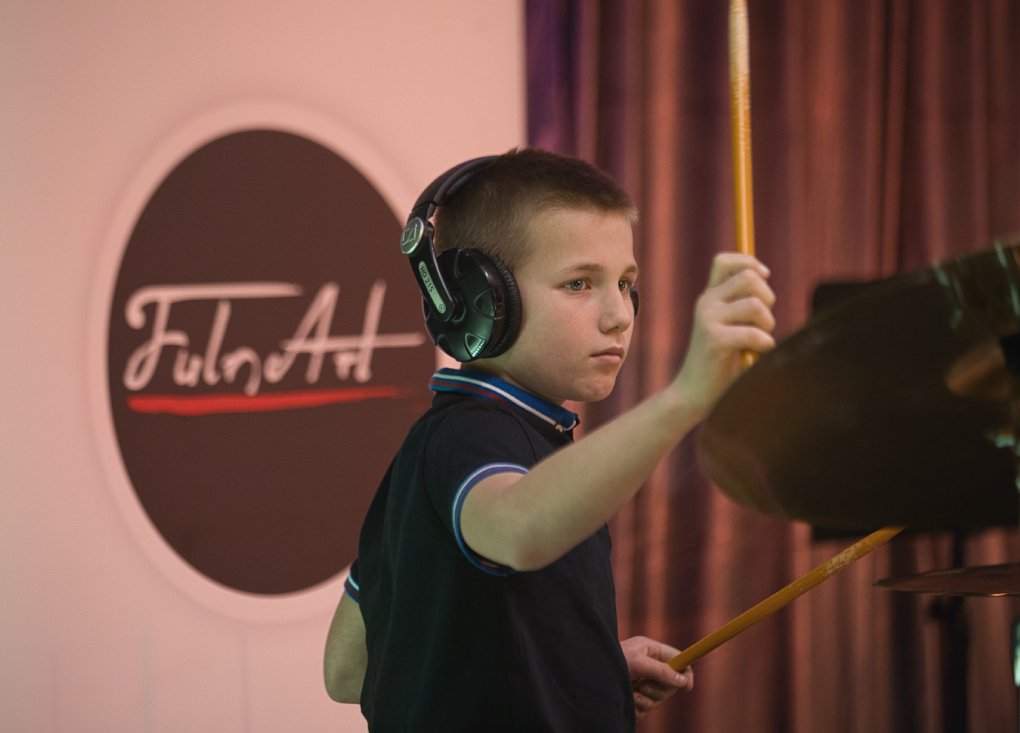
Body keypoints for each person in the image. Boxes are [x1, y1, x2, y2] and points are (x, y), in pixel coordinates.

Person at [323, 148, 776, 731]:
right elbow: (518, 527)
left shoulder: (442, 447)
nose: (619, 315)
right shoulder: (468, 436)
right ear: (477, 300)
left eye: (626, 283)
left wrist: (575, 668)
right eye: (578, 283)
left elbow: (348, 669)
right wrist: (685, 396)